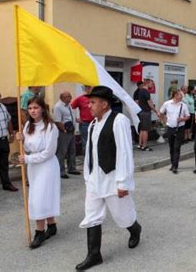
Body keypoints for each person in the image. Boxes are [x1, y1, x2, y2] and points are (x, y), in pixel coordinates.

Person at [76, 86, 141, 271]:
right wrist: (87, 175)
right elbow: (90, 152)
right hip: (94, 179)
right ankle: (94, 255)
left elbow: (124, 153)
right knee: (92, 215)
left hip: (113, 178)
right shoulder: (93, 124)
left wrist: (123, 183)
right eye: (89, 102)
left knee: (123, 216)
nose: (89, 105)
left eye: (93, 102)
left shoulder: (119, 120)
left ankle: (135, 229)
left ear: (104, 104)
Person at [17, 97, 60, 249]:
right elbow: (28, 148)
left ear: (42, 108)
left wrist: (28, 158)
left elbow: (49, 152)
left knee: (38, 198)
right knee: (43, 195)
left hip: (47, 166)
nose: (33, 111)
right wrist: (21, 140)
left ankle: (39, 231)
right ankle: (52, 225)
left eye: (36, 107)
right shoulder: (28, 125)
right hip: (33, 167)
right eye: (30, 108)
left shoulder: (50, 127)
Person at [159, 89, 190, 174]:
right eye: (180, 95)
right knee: (171, 147)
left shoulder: (183, 105)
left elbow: (188, 116)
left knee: (177, 147)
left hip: (180, 128)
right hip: (170, 127)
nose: (182, 96)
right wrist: (164, 121)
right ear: (175, 95)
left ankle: (175, 166)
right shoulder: (167, 104)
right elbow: (161, 113)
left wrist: (182, 119)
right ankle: (173, 163)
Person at [54, 91, 79, 179]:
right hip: (63, 132)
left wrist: (76, 121)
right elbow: (57, 121)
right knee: (62, 152)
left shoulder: (69, 105)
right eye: (68, 96)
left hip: (71, 130)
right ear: (62, 98)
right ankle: (61, 171)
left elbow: (70, 116)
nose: (70, 98)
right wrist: (64, 130)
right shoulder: (58, 107)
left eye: (70, 96)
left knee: (72, 151)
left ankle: (72, 168)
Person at [137, 80, 160, 151]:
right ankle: (144, 146)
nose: (152, 86)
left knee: (142, 129)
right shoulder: (146, 92)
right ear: (147, 83)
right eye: (151, 84)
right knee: (145, 130)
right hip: (146, 112)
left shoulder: (140, 91)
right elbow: (150, 103)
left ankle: (140, 144)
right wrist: (156, 111)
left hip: (141, 112)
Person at [71, 86, 94, 156]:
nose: (89, 89)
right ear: (85, 88)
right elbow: (71, 107)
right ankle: (87, 162)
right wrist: (75, 118)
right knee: (86, 144)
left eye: (91, 87)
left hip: (96, 123)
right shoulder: (80, 98)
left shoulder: (96, 98)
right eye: (88, 87)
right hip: (85, 124)